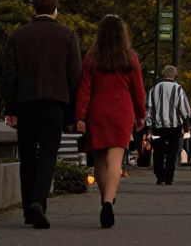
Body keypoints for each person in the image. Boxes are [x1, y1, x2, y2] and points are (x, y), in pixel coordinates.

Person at [1, 0, 82, 230]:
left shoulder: (18, 35)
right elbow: (74, 74)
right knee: (48, 154)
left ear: (33, 7)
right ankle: (39, 201)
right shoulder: (68, 35)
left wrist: (10, 106)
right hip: (54, 102)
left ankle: (28, 208)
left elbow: (9, 73)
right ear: (55, 8)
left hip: (25, 102)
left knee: (27, 155)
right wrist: (73, 108)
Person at [75, 15, 146, 230]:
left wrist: (79, 116)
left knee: (99, 162)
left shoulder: (91, 58)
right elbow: (138, 89)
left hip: (97, 111)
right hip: (122, 111)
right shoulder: (130, 58)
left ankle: (105, 199)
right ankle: (108, 201)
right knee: (115, 161)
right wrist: (141, 114)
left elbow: (84, 89)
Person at [145, 65, 191, 186]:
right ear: (175, 75)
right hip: (174, 126)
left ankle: (159, 175)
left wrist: (149, 125)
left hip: (157, 127)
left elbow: (149, 109)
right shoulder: (178, 89)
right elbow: (184, 108)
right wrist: (186, 121)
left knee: (158, 151)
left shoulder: (154, 89)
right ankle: (169, 176)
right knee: (172, 151)